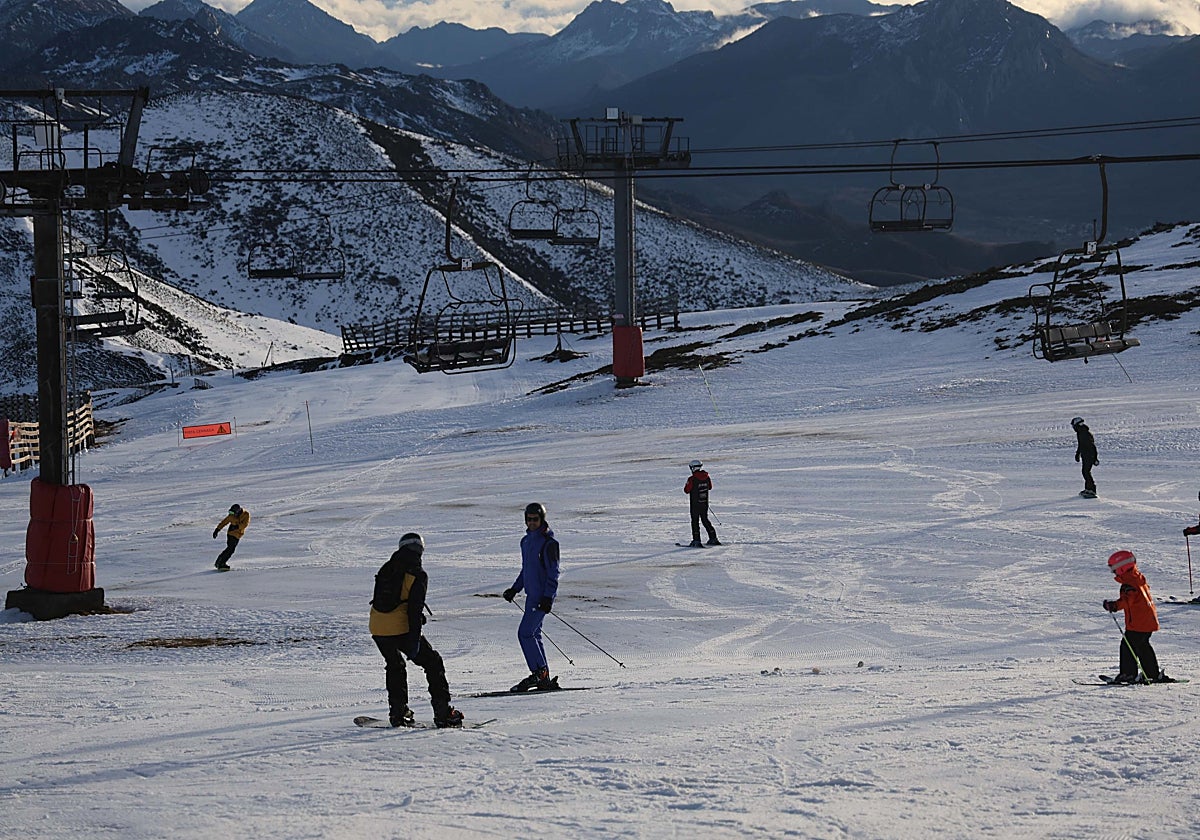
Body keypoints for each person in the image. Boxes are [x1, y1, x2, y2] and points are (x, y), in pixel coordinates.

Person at [369, 533, 464, 727]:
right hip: (400, 627)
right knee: (433, 662)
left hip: (377, 626)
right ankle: (443, 713)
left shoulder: (387, 568)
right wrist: (413, 640)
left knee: (395, 665)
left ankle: (398, 713)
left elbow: (387, 600)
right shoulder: (417, 573)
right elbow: (413, 609)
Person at [502, 502, 560, 691]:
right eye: (528, 520)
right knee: (534, 634)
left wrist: (548, 597)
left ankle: (539, 673)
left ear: (542, 520)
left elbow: (553, 573)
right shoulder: (526, 542)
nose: (532, 523)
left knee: (525, 633)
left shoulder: (549, 544)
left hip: (540, 598)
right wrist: (515, 589)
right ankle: (543, 676)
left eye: (535, 519)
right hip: (530, 597)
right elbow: (526, 570)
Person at [1102, 550, 1173, 683]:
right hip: (1147, 621)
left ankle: (1128, 674)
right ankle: (1151, 673)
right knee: (1142, 646)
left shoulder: (1129, 583)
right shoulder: (1137, 577)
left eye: (1114, 570)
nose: (1114, 573)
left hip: (1138, 623)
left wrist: (1114, 606)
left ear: (1122, 567)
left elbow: (1128, 600)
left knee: (1127, 646)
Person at [684, 460, 720, 547]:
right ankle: (713, 538)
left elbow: (686, 490)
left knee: (695, 522)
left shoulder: (692, 479)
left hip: (695, 504)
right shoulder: (707, 477)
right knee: (705, 520)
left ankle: (696, 540)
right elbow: (710, 487)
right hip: (704, 503)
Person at [212, 503, 250, 570]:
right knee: (230, 548)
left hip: (238, 534)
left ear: (237, 512)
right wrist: (217, 530)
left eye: (233, 512)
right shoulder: (231, 516)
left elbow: (245, 524)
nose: (231, 514)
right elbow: (224, 522)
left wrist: (236, 527)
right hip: (231, 534)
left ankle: (219, 561)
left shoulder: (246, 514)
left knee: (230, 549)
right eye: (230, 512)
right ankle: (221, 563)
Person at [1071, 417, 1099, 498]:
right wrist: (1078, 454)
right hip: (1085, 455)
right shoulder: (1080, 433)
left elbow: (1092, 446)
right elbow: (1081, 445)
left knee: (1086, 472)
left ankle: (1092, 490)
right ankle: (1088, 489)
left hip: (1089, 455)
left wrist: (1095, 458)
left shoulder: (1085, 433)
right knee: (1085, 472)